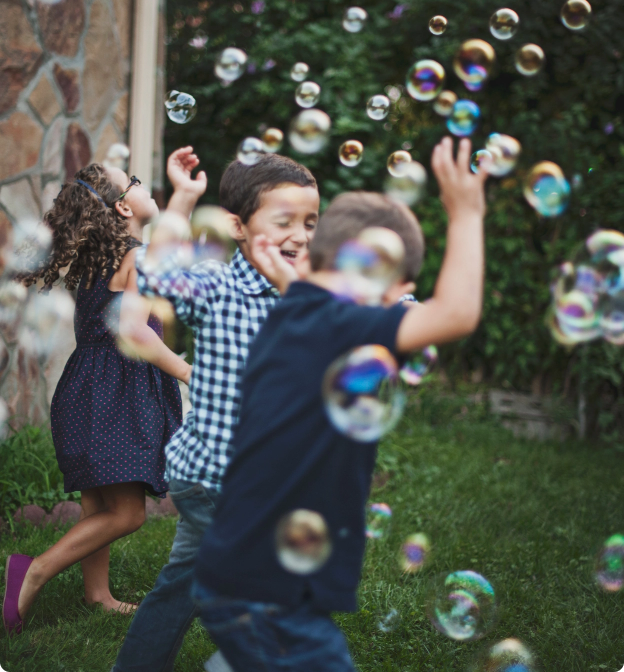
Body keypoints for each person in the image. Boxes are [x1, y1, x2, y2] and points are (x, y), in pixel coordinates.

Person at [190, 136, 489, 672]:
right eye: (401, 287)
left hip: (239, 573)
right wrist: (464, 211)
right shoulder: (337, 320)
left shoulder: (294, 309)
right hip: (267, 592)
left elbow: (305, 291)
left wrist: (291, 276)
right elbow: (459, 313)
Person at [111, 147, 320, 672]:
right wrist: (181, 198)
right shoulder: (218, 285)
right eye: (285, 220)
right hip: (214, 478)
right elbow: (157, 273)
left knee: (183, 584)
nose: (301, 234)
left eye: (311, 221)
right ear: (240, 226)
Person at [2, 164, 188, 636]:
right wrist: (191, 372)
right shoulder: (137, 257)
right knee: (125, 514)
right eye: (136, 182)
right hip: (118, 392)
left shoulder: (97, 261)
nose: (144, 186)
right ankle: (35, 571)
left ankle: (97, 595)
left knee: (98, 506)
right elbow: (134, 333)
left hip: (83, 387)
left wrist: (185, 195)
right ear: (124, 207)